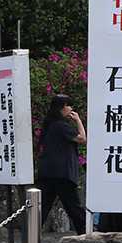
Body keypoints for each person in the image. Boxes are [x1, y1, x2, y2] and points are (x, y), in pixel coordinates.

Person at [37, 95, 88, 234]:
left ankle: (31, 237)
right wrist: (78, 120)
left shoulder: (49, 124)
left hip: (48, 172)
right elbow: (83, 139)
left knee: (43, 206)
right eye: (68, 105)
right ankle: (85, 233)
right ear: (62, 107)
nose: (71, 108)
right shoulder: (61, 125)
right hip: (62, 173)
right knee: (73, 206)